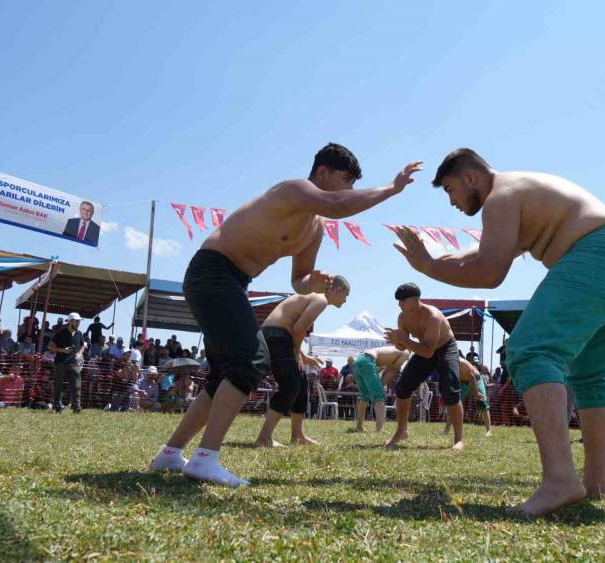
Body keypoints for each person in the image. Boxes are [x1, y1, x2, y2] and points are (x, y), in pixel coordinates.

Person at [391, 148, 605, 515]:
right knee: (590, 373)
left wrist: (428, 268)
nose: (451, 202)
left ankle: (560, 480)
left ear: (471, 177)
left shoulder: (499, 197)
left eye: (450, 189)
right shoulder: (517, 192)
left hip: (600, 252)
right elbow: (476, 256)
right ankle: (597, 483)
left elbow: (489, 273)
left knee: (530, 351)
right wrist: (430, 262)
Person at [150, 144, 421, 487]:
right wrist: (392, 189)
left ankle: (171, 453)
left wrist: (314, 283)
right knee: (250, 361)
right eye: (347, 180)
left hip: (234, 281)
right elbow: (338, 205)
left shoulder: (315, 228)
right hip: (212, 270)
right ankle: (205, 458)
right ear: (322, 172)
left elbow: (299, 279)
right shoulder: (294, 189)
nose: (350, 189)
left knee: (225, 374)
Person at [254, 278, 350, 447]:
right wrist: (297, 352)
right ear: (339, 290)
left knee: (301, 383)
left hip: (276, 335)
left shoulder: (313, 296)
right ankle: (264, 438)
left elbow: (292, 329)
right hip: (277, 336)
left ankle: (298, 435)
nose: (345, 301)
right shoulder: (321, 299)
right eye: (346, 295)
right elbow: (298, 329)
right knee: (291, 385)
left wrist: (303, 356)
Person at [384, 283, 465, 450]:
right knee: (402, 388)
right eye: (398, 301)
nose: (399, 304)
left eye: (403, 301)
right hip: (424, 348)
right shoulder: (402, 318)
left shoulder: (433, 317)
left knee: (450, 390)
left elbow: (428, 352)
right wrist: (396, 341)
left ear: (415, 300)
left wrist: (404, 340)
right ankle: (401, 431)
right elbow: (403, 347)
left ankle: (459, 439)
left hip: (445, 347)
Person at [352, 346, 409, 432]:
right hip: (368, 361)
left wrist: (376, 383)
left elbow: (379, 368)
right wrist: (380, 385)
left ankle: (359, 427)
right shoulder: (406, 352)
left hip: (358, 361)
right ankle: (380, 429)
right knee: (379, 397)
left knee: (364, 396)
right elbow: (392, 370)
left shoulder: (392, 350)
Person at [48, 313, 86, 414]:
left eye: (79, 321)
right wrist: (62, 350)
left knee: (76, 386)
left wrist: (79, 353)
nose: (78, 323)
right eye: (76, 321)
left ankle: (77, 407)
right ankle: (57, 408)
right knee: (58, 386)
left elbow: (83, 345)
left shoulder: (79, 334)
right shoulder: (60, 333)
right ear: (70, 321)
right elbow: (50, 347)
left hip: (74, 363)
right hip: (60, 362)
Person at [444, 358, 493, 436]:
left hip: (476, 380)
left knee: (483, 402)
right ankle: (447, 430)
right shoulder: (446, 364)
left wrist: (476, 393)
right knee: (453, 404)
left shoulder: (461, 362)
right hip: (463, 383)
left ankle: (488, 430)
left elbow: (471, 376)